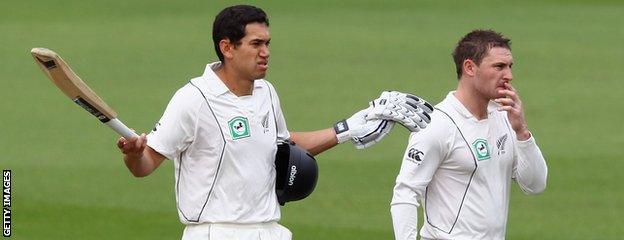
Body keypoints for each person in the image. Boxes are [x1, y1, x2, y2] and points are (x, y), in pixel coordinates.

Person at [116, 5, 432, 240]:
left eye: (267, 43)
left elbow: (280, 145)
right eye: (256, 44)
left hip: (270, 230)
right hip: (218, 232)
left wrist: (348, 128)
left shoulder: (266, 92)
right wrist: (133, 153)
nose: (266, 52)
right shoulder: (193, 100)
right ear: (227, 48)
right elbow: (144, 165)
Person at [390, 29, 548, 240]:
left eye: (510, 66)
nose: (509, 76)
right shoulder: (438, 124)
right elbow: (405, 194)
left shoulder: (504, 117)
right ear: (469, 68)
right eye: (499, 67)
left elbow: (535, 185)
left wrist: (522, 131)